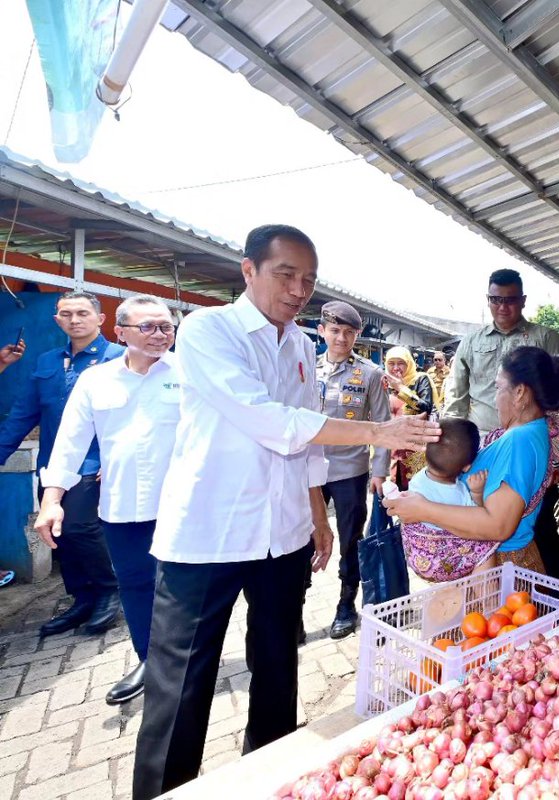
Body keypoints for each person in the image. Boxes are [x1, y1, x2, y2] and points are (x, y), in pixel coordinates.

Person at [132, 225, 440, 799]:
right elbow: (273, 422)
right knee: (180, 688)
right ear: (248, 271)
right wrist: (381, 430)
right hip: (209, 536)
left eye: (309, 280)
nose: (299, 290)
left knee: (278, 665)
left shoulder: (301, 346)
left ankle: (272, 778)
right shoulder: (208, 331)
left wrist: (318, 517)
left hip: (282, 535)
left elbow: (308, 446)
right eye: (286, 275)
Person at [35, 295, 179, 705]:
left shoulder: (189, 374)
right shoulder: (96, 381)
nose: (159, 335)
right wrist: (52, 498)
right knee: (135, 587)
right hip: (123, 506)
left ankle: (179, 663)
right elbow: (70, 442)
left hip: (182, 507)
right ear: (121, 332)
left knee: (180, 590)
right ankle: (149, 660)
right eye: (147, 327)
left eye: (166, 327)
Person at [388, 347, 559, 573]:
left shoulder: (521, 440)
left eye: (498, 387)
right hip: (497, 564)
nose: (494, 398)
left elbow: (499, 525)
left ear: (520, 393)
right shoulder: (525, 433)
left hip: (501, 568)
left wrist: (423, 509)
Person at [0, 292, 121, 637]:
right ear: (57, 320)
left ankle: (108, 592)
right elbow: (24, 413)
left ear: (100, 319)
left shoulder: (120, 359)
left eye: (83, 313)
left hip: (94, 462)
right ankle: (82, 599)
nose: (74, 320)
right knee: (59, 532)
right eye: (66, 314)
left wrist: (118, 456)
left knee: (81, 526)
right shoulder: (48, 362)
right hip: (54, 463)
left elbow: (138, 417)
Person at [443, 269, 559, 580]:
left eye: (511, 300)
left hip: (529, 446)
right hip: (483, 450)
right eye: (496, 300)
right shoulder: (470, 342)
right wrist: (452, 449)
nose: (503, 307)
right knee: (482, 530)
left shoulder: (545, 337)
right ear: (488, 300)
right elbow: (456, 398)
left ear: (523, 300)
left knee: (538, 529)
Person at [314, 300, 391, 639]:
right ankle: (294, 605)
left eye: (348, 332)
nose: (341, 338)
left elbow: (383, 424)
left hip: (349, 471)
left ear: (356, 335)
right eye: (334, 330)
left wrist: (379, 471)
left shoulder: (370, 374)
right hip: (308, 470)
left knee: (349, 542)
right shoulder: (306, 369)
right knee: (300, 540)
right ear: (322, 332)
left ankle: (346, 605)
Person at [400, 417, 500, 581]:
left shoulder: (417, 480)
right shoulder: (460, 493)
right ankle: (484, 598)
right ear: (467, 466)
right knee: (488, 543)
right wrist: (476, 492)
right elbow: (477, 520)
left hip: (417, 557)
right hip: (445, 563)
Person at [384, 346, 434, 417]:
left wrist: (401, 388)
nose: (395, 368)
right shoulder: (383, 380)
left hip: (414, 426)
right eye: (391, 363)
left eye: (400, 363)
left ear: (408, 364)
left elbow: (426, 409)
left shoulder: (420, 379)